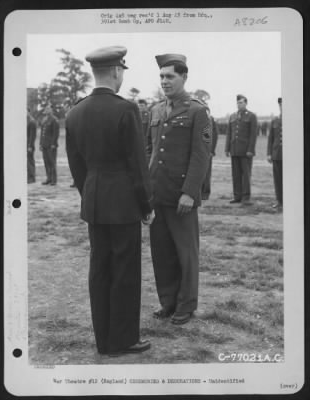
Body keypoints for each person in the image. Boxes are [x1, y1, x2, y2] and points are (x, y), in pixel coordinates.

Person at [66, 46, 154, 356]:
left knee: (99, 270)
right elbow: (137, 165)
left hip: (94, 202)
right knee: (125, 272)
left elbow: (76, 165)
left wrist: (89, 194)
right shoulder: (125, 109)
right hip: (124, 203)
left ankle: (104, 340)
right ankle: (123, 339)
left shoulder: (75, 111)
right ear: (117, 71)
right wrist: (146, 206)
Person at [147, 53, 211, 325]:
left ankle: (186, 305)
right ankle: (168, 301)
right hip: (157, 193)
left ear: (184, 77)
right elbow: (149, 150)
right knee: (161, 252)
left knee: (185, 252)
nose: (164, 81)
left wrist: (190, 192)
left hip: (181, 194)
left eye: (170, 76)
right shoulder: (156, 110)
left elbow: (201, 155)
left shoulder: (197, 110)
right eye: (161, 76)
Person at [225, 94, 258, 205]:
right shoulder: (232, 116)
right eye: (238, 103)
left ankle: (246, 197)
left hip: (245, 151)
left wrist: (250, 149)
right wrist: (227, 148)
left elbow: (253, 135)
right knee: (236, 174)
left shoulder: (251, 116)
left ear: (246, 103)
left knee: (246, 174)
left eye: (241, 102)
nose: (239, 104)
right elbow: (229, 133)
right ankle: (237, 196)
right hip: (234, 150)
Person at [267, 97, 282, 210]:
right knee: (277, 180)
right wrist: (269, 153)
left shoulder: (295, 118)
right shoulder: (275, 120)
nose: (282, 107)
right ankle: (279, 200)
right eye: (280, 105)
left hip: (290, 156)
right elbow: (270, 139)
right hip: (277, 154)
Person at [201, 106, 219, 200]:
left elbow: (211, 136)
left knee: (206, 173)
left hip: (206, 151)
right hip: (198, 151)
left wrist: (211, 150)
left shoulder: (209, 120)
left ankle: (205, 193)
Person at [40, 104, 59, 185]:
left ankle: (54, 180)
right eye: (46, 109)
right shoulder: (44, 120)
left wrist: (54, 144)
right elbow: (42, 133)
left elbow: (56, 133)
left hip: (51, 145)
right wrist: (40, 144)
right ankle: (48, 178)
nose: (47, 110)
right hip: (44, 145)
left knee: (52, 162)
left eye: (48, 109)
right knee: (46, 162)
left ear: (51, 110)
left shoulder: (54, 120)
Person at [27, 109, 37, 183]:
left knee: (30, 162)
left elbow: (32, 136)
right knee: (27, 162)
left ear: (28, 112)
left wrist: (30, 146)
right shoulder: (27, 121)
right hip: (26, 145)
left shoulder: (32, 121)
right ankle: (29, 177)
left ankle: (32, 178)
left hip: (29, 145)